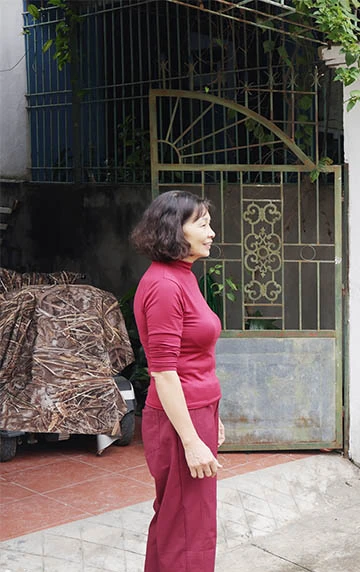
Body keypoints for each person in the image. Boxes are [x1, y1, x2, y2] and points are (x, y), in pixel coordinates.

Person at [130, 190, 224, 572]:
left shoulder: (182, 277)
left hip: (194, 412)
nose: (211, 233)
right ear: (174, 229)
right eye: (202, 224)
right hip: (179, 419)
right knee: (188, 530)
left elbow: (193, 358)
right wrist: (191, 441)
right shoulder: (165, 286)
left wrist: (213, 416)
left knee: (179, 523)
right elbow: (164, 372)